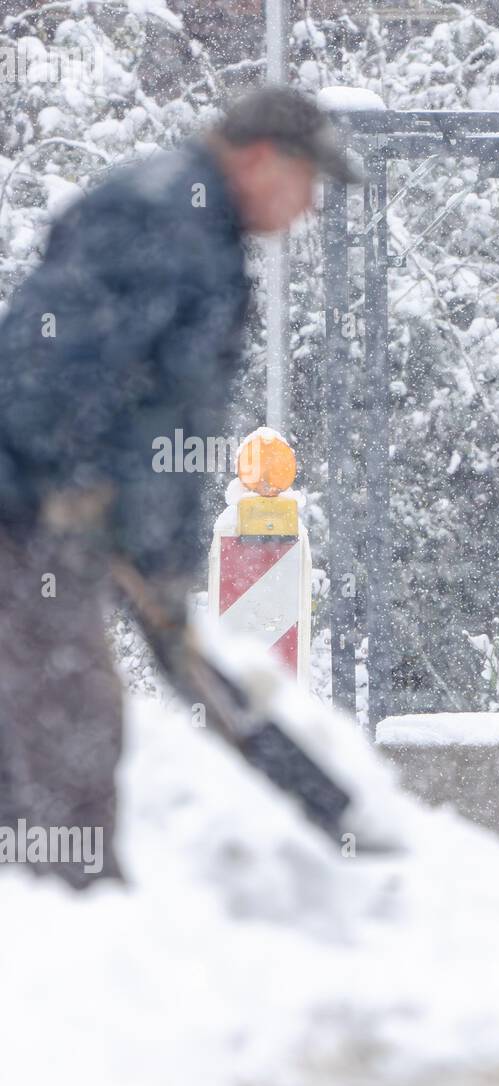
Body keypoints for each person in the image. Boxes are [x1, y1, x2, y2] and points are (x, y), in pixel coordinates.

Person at [0, 88, 360, 889]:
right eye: (308, 185)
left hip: (51, 507)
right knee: (66, 710)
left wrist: (158, 550)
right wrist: (69, 484)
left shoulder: (198, 230)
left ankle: (56, 899)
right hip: (24, 505)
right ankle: (74, 908)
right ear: (263, 158)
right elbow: (49, 356)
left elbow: (167, 421)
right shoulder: (163, 221)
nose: (305, 212)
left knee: (47, 701)